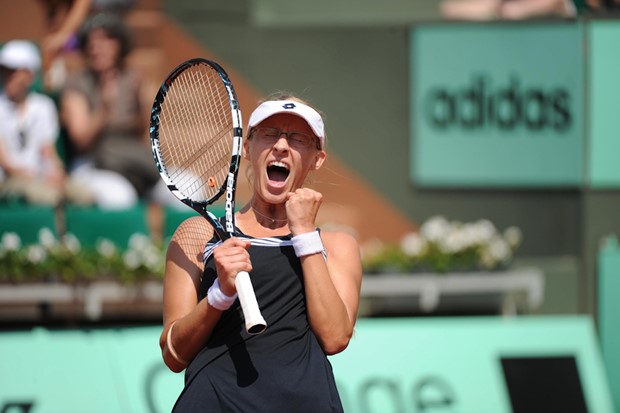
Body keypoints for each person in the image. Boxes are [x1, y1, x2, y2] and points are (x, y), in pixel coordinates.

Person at [160, 94, 362, 412]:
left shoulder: (336, 244)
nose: (281, 145)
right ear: (247, 148)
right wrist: (218, 295)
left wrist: (305, 236)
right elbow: (173, 354)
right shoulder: (198, 234)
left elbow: (335, 337)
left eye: (297, 138)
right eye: (269, 133)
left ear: (317, 159)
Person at [60, 12, 171, 210]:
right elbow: (81, 141)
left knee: (189, 188)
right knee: (120, 198)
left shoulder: (132, 77)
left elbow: (143, 134)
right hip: (93, 164)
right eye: (91, 42)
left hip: (130, 162)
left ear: (120, 44)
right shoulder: (76, 83)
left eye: (105, 40)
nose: (96, 48)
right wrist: (104, 108)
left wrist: (144, 102)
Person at [0, 40, 93, 207]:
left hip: (38, 176)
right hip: (10, 180)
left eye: (14, 72)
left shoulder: (43, 106)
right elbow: (5, 163)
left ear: (29, 76)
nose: (8, 77)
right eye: (5, 71)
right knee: (48, 197)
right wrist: (35, 177)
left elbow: (47, 149)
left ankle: (75, 233)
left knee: (83, 195)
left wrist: (57, 171)